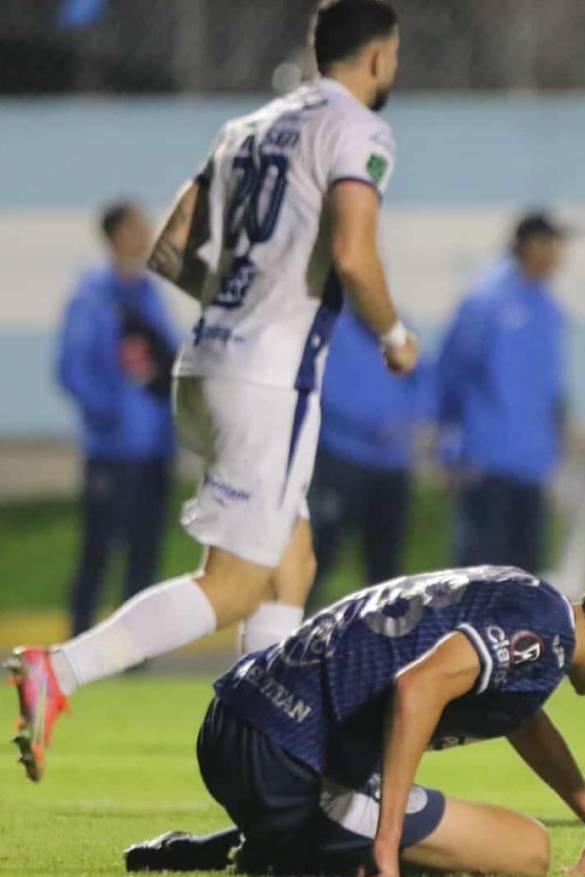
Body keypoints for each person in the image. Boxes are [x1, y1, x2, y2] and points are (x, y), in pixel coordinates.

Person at [7, 0, 421, 783]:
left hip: (205, 365)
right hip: (269, 380)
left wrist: (240, 303)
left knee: (290, 565)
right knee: (233, 584)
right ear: (377, 59)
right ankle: (59, 669)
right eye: (393, 56)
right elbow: (355, 256)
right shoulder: (359, 129)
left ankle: (266, 752)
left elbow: (169, 249)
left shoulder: (246, 128)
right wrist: (396, 339)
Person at [121, 559, 585, 877]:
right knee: (526, 849)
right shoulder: (544, 640)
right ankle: (275, 846)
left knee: (423, 821)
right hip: (287, 762)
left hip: (234, 720)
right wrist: (386, 845)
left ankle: (253, 844)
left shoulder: (526, 596)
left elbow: (522, 716)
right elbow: (418, 685)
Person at [57, 201, 180, 637]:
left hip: (155, 447)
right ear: (115, 236)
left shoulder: (149, 294)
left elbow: (168, 362)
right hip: (111, 450)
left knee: (145, 553)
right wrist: (110, 415)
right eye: (136, 227)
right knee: (98, 551)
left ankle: (134, 652)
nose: (146, 233)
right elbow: (71, 368)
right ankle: (77, 645)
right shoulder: (92, 297)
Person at [437, 212, 570, 574]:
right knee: (481, 577)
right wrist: (448, 445)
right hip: (487, 460)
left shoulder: (548, 307)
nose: (560, 257)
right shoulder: (486, 300)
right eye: (553, 245)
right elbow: (451, 373)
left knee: (526, 581)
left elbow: (551, 384)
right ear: (530, 245)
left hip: (532, 463)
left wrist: (558, 439)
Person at [309, 308, 435, 611]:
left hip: (392, 465)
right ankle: (292, 640)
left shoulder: (399, 324)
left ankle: (382, 648)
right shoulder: (327, 325)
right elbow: (319, 385)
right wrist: (374, 424)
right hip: (341, 457)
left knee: (387, 572)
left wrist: (409, 421)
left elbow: (424, 381)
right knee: (316, 558)